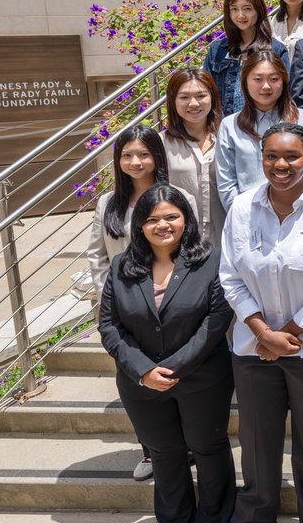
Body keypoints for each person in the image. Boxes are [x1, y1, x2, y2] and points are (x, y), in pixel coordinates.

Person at [219, 122, 303, 523]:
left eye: (291, 156)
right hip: (252, 350)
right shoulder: (243, 207)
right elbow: (230, 275)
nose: (281, 164)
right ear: (261, 159)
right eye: (272, 156)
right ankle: (257, 515)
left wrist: (290, 333)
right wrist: (263, 332)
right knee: (258, 443)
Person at [99, 185, 235, 523]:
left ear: (186, 219)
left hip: (203, 380)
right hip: (141, 386)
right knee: (164, 454)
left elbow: (215, 324)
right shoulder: (120, 266)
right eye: (153, 219)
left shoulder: (212, 260)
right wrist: (144, 371)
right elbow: (109, 326)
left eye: (171, 217)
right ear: (140, 226)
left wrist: (171, 369)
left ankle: (216, 516)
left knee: (208, 448)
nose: (163, 225)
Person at [84, 126, 179, 296]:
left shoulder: (180, 199)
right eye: (127, 156)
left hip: (168, 297)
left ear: (157, 156)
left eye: (144, 154)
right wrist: (107, 297)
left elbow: (189, 249)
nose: (135, 162)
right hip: (124, 297)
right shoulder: (107, 203)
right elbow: (97, 256)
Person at [215, 51, 303, 211]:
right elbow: (227, 183)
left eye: (274, 79)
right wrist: (243, 217)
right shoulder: (230, 126)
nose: (266, 86)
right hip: (248, 216)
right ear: (245, 81)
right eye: (258, 79)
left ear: (284, 81)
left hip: (296, 215)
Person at [201, 0, 290, 116]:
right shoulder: (217, 49)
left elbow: (286, 91)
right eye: (234, 9)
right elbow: (206, 89)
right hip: (223, 126)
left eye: (247, 9)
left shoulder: (275, 49)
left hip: (264, 125)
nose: (241, 15)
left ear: (258, 10)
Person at [163, 69, 225, 240]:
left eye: (201, 96)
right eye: (184, 97)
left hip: (225, 236)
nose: (194, 103)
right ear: (173, 101)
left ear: (212, 97)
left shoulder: (227, 138)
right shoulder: (162, 144)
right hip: (180, 241)